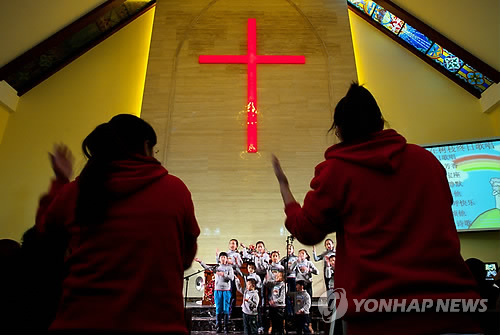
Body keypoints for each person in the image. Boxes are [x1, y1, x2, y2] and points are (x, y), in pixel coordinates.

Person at [271, 83, 482, 335]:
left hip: (377, 317)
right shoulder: (426, 161)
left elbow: (306, 230)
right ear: (380, 122)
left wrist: (285, 189)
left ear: (339, 131)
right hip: (453, 313)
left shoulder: (338, 172)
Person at [35, 114, 200, 333]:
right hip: (158, 325)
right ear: (145, 145)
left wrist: (60, 181)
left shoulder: (77, 191)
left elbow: (44, 235)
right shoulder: (175, 190)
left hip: (80, 322)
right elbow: (185, 256)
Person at [195, 252, 234, 333]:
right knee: (218, 309)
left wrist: (223, 274)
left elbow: (231, 278)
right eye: (221, 257)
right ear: (219, 259)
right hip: (217, 290)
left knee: (226, 309)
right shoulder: (216, 267)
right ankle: (218, 326)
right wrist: (200, 262)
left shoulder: (229, 268)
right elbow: (207, 268)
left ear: (226, 259)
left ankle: (226, 327)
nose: (223, 258)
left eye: (224, 257)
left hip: (226, 291)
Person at [264, 270, 286, 335]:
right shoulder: (274, 283)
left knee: (280, 326)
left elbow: (282, 297)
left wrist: (274, 301)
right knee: (273, 325)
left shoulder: (283, 285)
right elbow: (266, 283)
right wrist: (266, 277)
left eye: (279, 276)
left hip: (280, 307)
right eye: (276, 276)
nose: (276, 277)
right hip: (273, 307)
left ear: (282, 278)